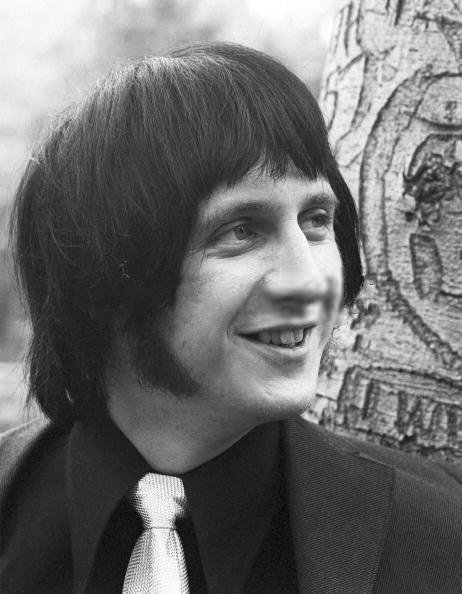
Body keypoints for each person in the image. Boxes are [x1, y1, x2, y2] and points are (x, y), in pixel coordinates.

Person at [0, 42, 461, 594]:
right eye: (241, 231)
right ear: (106, 274)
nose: (309, 281)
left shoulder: (441, 534)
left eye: (316, 220)